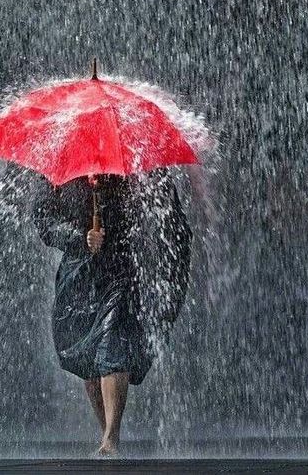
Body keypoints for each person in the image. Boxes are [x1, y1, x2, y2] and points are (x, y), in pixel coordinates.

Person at [31, 168, 192, 456]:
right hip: (78, 276)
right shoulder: (56, 173)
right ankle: (106, 431)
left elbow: (163, 211)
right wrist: (81, 237)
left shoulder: (130, 165)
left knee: (113, 346)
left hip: (119, 268)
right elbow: (44, 221)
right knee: (88, 358)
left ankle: (111, 438)